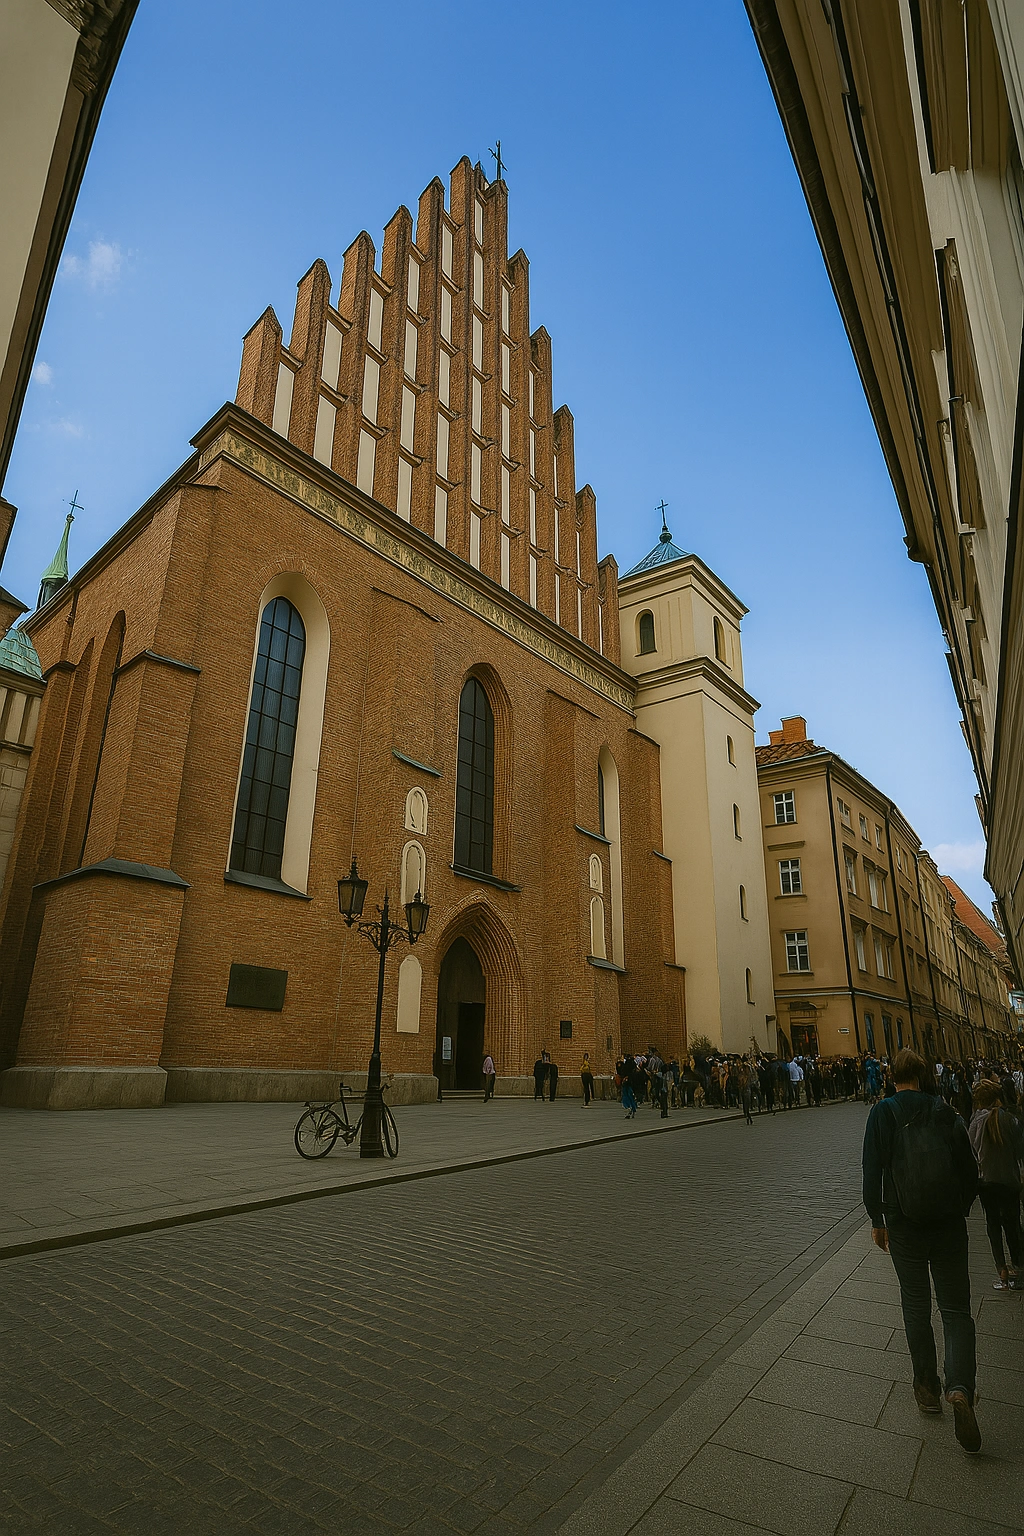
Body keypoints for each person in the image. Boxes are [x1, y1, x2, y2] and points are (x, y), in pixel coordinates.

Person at [862, 1048, 981, 1453]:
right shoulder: (945, 1111)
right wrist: (961, 1206)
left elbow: (872, 1169)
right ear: (923, 1075)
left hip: (904, 1224)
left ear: (892, 1076)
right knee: (956, 1309)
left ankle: (927, 1387)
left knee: (915, 1303)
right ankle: (961, 1387)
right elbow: (969, 1168)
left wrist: (878, 1219)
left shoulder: (883, 1113)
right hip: (947, 1225)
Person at [969, 1079, 1024, 1290]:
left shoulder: (976, 1123)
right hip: (1009, 1182)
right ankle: (1018, 1269)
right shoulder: (1010, 1120)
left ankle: (1001, 1271)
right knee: (1011, 1224)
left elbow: (972, 1153)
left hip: (987, 1183)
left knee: (993, 1226)